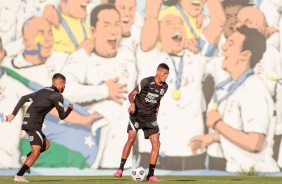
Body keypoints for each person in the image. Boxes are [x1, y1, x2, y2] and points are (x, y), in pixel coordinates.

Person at [191, 26, 279, 172]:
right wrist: (211, 138)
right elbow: (241, 131)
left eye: (230, 44)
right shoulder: (237, 87)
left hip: (256, 174)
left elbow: (254, 143)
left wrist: (217, 124)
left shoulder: (253, 89)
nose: (223, 47)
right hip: (238, 170)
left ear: (245, 55)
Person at [5, 73, 73, 182]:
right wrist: (69, 109)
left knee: (46, 145)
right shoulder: (57, 95)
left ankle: (26, 158)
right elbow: (62, 116)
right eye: (64, 85)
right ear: (61, 84)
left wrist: (13, 114)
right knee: (36, 152)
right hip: (34, 123)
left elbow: (24, 98)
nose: (64, 87)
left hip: (29, 121)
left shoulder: (42, 91)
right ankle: (19, 175)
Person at [114, 63, 169, 182]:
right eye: (164, 73)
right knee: (131, 139)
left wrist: (156, 113)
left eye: (167, 74)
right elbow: (131, 94)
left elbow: (158, 101)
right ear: (158, 72)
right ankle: (120, 169)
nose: (166, 76)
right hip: (137, 115)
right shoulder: (146, 82)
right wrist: (132, 103)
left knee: (157, 144)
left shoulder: (165, 87)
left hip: (150, 118)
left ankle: (150, 175)